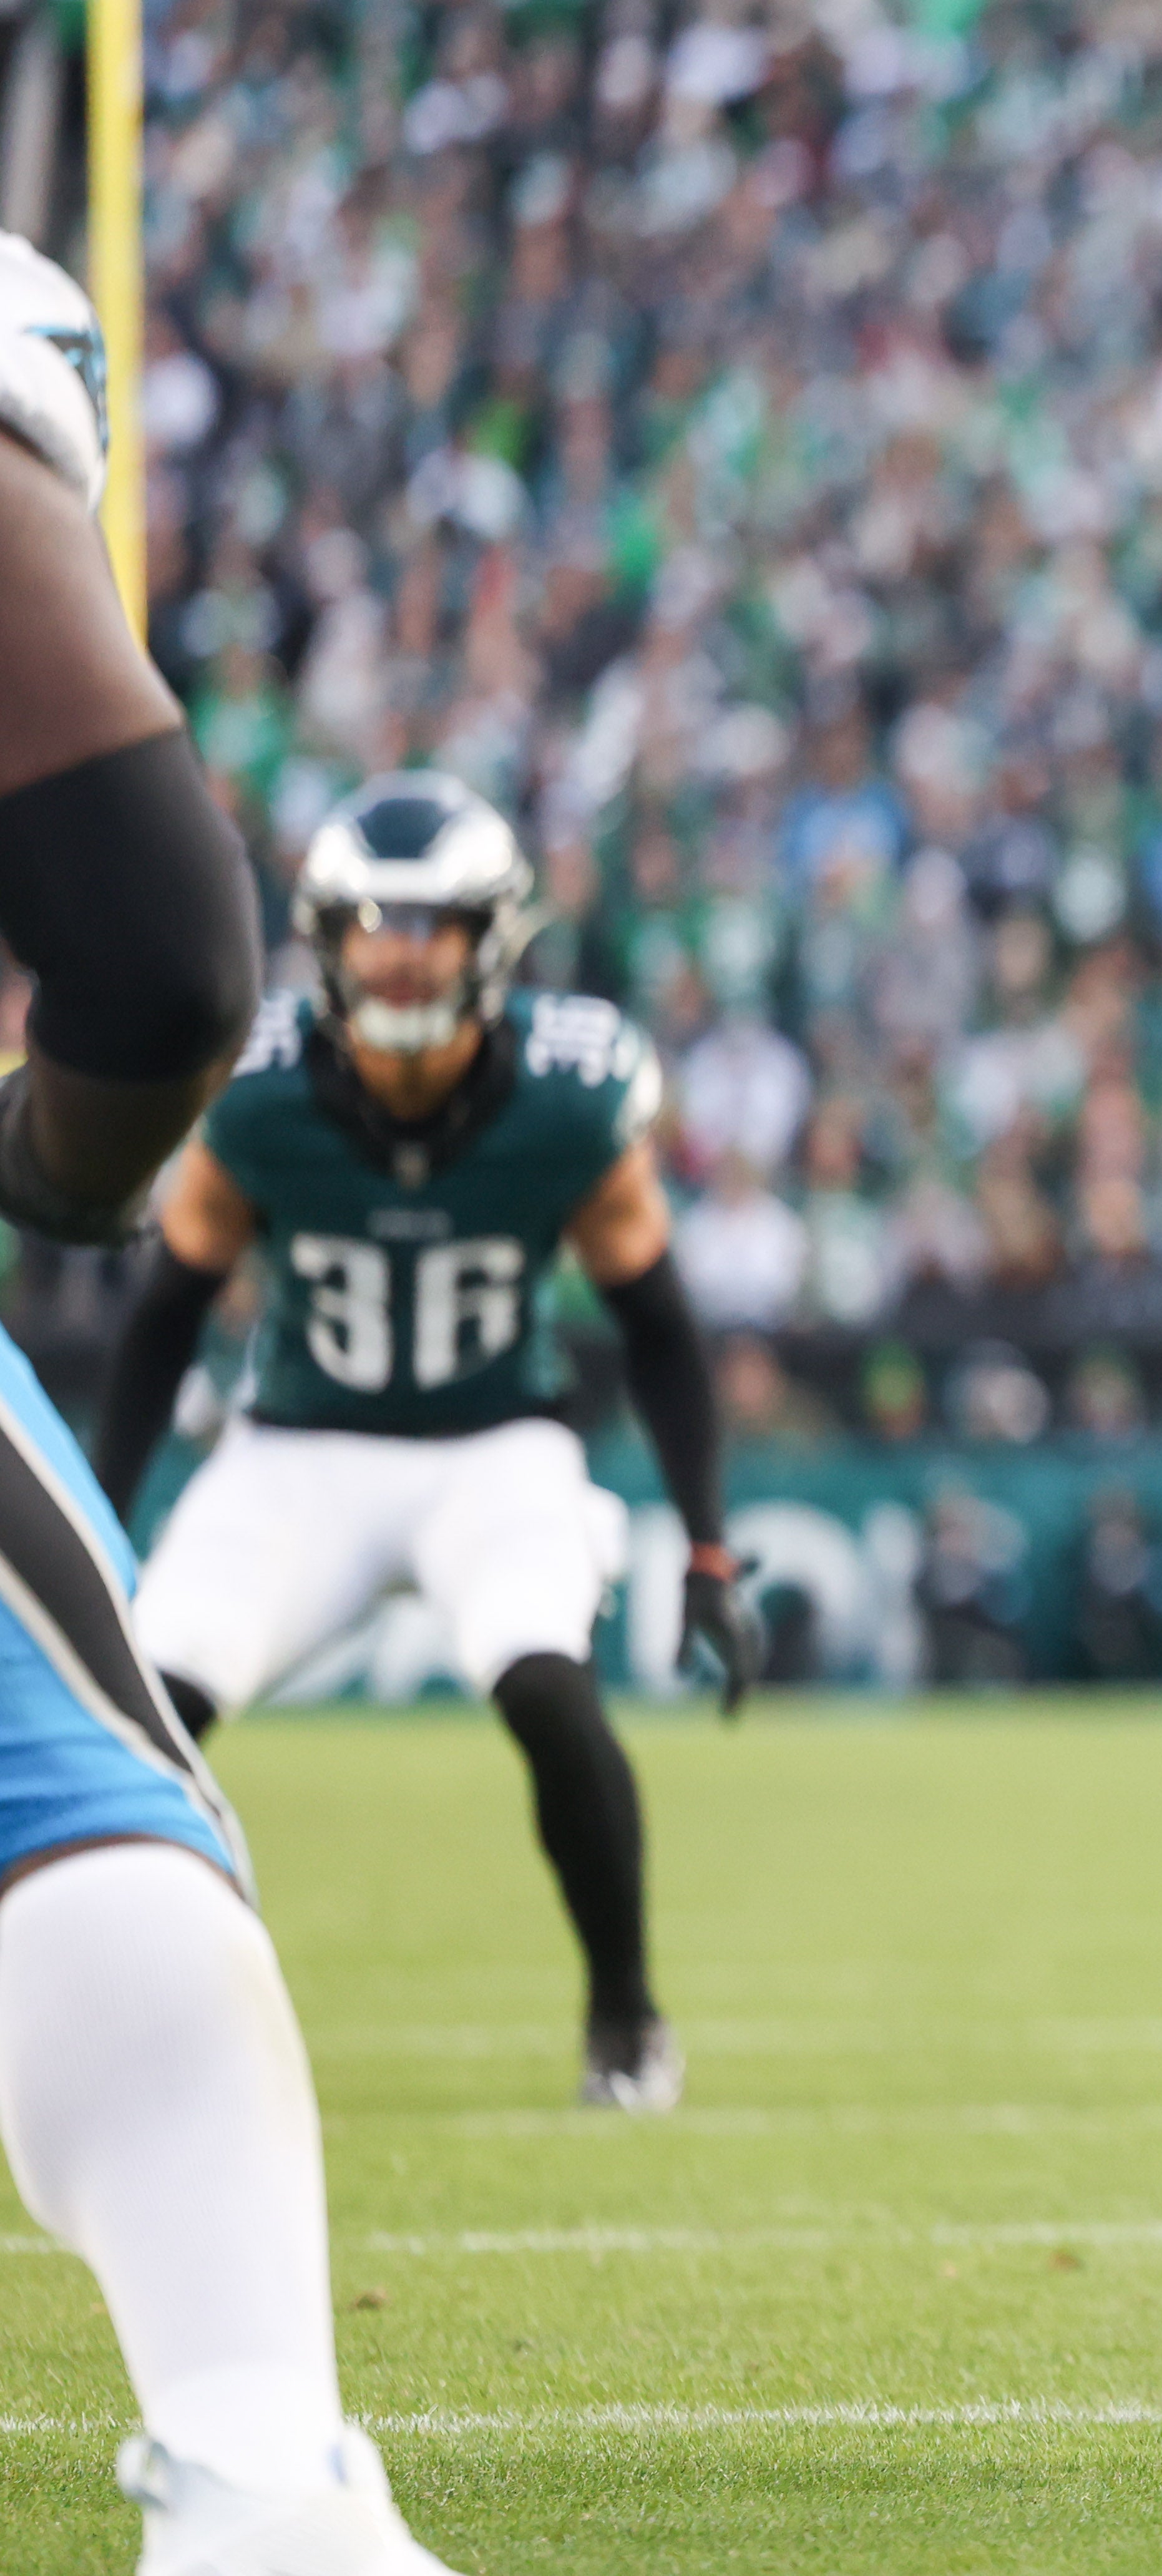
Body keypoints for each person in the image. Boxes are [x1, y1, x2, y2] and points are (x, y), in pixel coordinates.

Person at [0, 228, 463, 2573]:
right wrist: (45, 1165)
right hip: (320, 1455)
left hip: (466, 1460)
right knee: (85, 1800)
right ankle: (260, 2471)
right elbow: (166, 951)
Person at [90, 768, 758, 2115]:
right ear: (326, 938)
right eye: (372, 926)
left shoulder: (571, 1096)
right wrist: (100, 1532)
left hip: (491, 1450)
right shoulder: (256, 1089)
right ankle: (102, 2029)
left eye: (432, 926)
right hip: (296, 1455)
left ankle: (626, 2019)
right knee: (144, 1716)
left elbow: (664, 1331)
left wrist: (706, 1545)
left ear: (491, 940)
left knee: (546, 1690)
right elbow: (163, 1323)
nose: (399, 958)